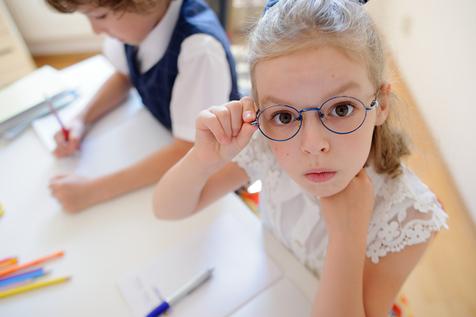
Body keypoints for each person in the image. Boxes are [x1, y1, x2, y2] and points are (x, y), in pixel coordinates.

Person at [153, 0, 449, 316]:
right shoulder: (266, 144)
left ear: (382, 104)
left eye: (341, 109)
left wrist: (346, 237)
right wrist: (203, 158)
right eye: (283, 115)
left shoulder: (410, 215)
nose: (312, 145)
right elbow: (168, 209)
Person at [46, 0, 240, 212]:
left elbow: (188, 149)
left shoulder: (199, 51)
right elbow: (123, 76)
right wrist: (81, 119)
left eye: (100, 16)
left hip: (211, 172)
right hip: (158, 137)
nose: (95, 30)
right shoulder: (137, 26)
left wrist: (91, 191)